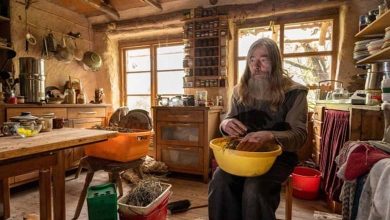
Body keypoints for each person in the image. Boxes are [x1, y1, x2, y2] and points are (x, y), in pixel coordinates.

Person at [208, 38, 308, 220]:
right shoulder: (240, 90)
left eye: (264, 59)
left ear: (275, 62)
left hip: (278, 157)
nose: (257, 65)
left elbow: (299, 135)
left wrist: (269, 136)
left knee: (254, 187)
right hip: (243, 154)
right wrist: (225, 124)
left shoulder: (295, 92)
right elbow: (229, 117)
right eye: (252, 59)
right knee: (220, 180)